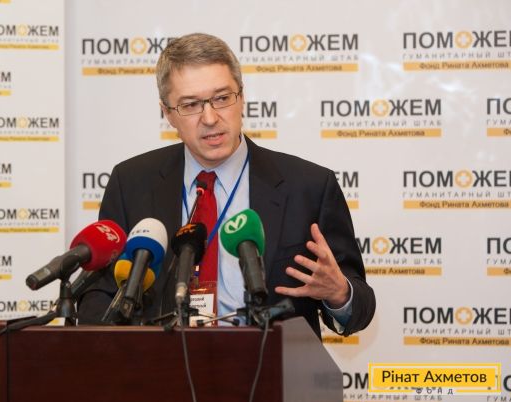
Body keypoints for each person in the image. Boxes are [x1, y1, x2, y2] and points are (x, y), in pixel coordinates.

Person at [78, 33, 375, 338]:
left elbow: (360, 308)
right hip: (163, 362)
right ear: (167, 113)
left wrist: (340, 292)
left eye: (221, 98)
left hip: (268, 362)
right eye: (190, 104)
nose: (210, 118)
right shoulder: (131, 184)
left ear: (241, 97)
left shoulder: (308, 186)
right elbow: (99, 294)